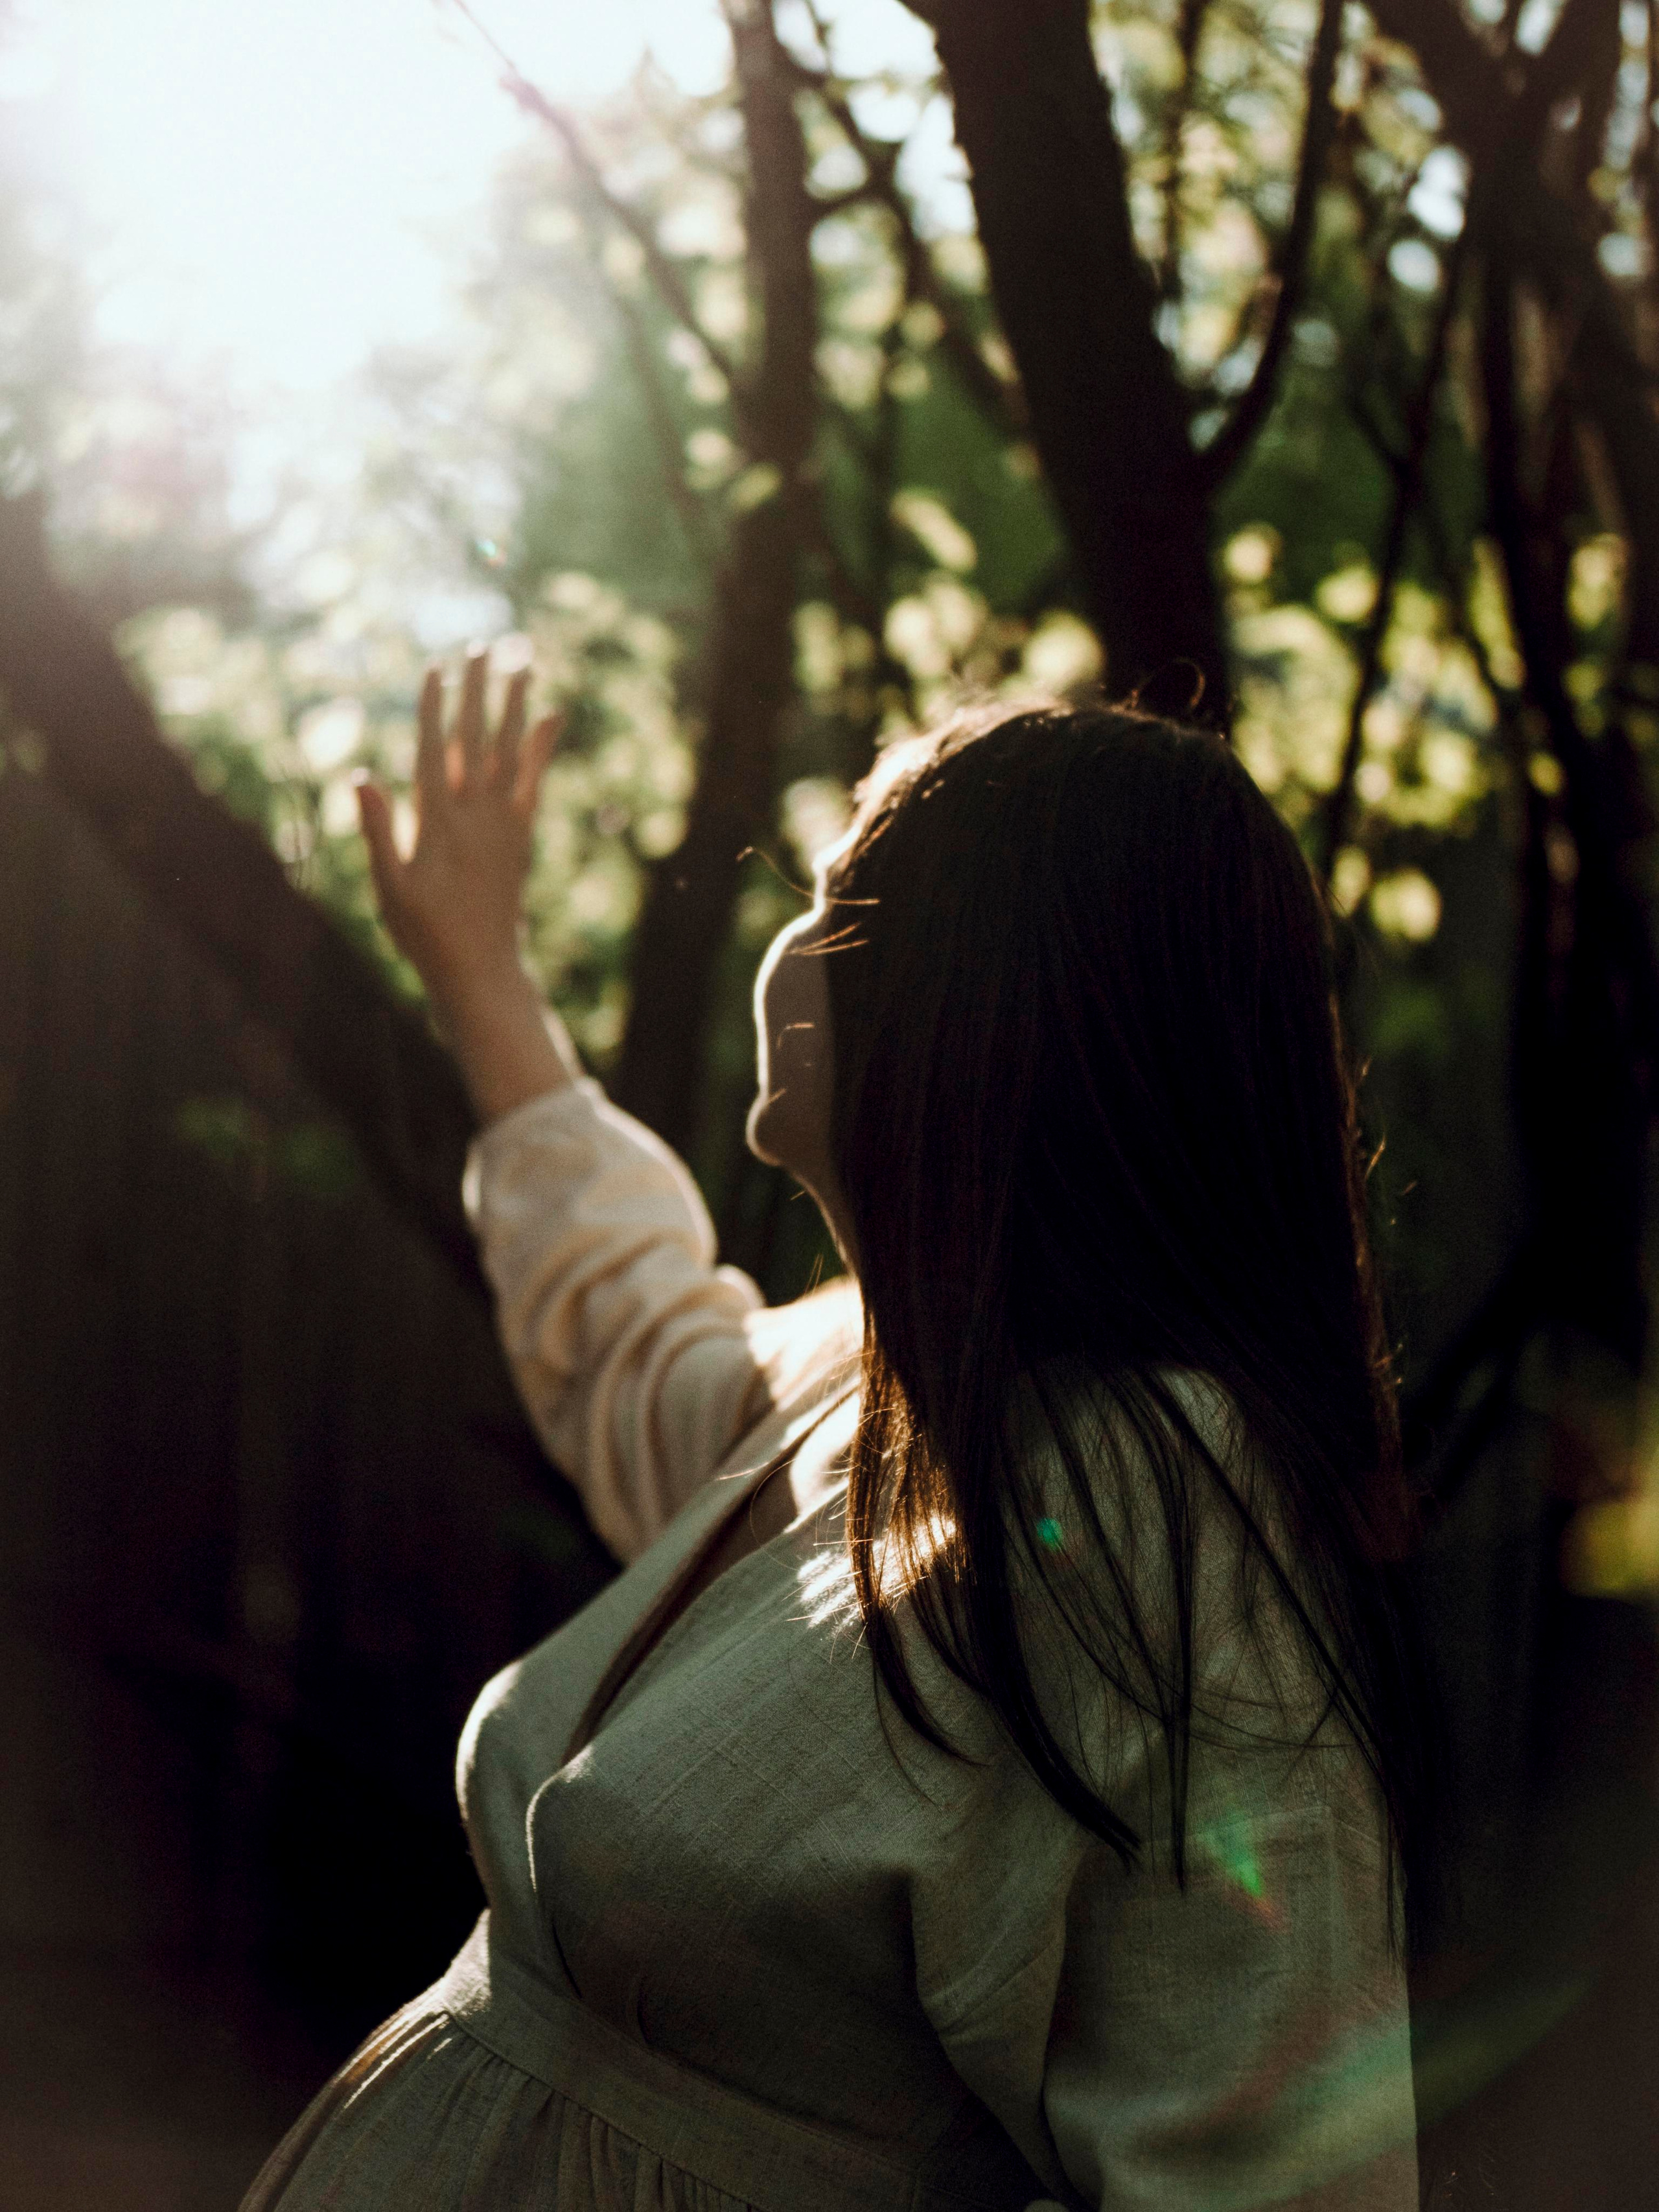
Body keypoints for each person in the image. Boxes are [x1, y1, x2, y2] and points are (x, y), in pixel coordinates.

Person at [243, 651, 1430, 2212]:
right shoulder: (877, 1385)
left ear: (978, 981)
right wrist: (478, 972)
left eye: (836, 888)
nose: (789, 939)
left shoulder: (1156, 1507)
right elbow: (637, 1334)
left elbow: (1273, 2177)